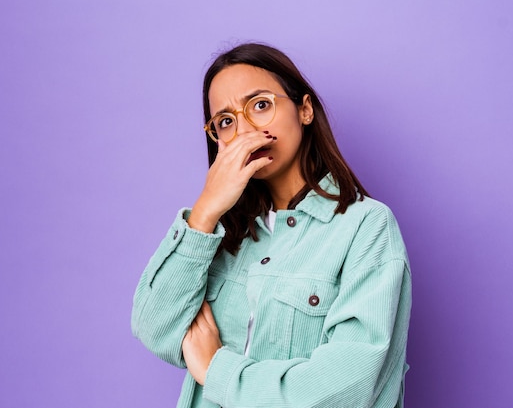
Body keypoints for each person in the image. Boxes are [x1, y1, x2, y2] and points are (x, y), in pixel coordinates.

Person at [131, 43, 412, 408]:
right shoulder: (218, 236)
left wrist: (217, 369)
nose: (246, 130)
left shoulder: (366, 227)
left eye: (260, 105)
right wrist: (204, 213)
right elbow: (155, 328)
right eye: (226, 121)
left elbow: (344, 390)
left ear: (305, 110)